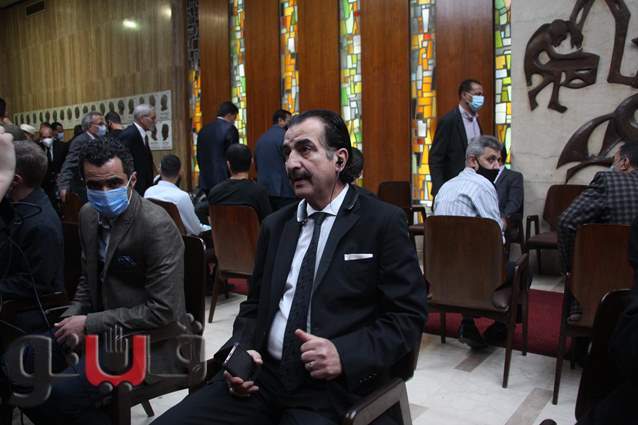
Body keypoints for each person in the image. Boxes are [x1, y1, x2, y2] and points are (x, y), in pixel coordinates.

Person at [154, 109, 427, 425]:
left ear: (339, 160)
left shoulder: (381, 222)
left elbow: (407, 317)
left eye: (305, 149)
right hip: (263, 379)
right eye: (287, 153)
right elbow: (254, 306)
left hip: (331, 390)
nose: (291, 163)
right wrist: (242, 353)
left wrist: (344, 353)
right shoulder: (276, 225)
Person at [24, 139, 191, 425]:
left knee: (57, 396)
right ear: (84, 185)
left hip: (150, 342)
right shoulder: (89, 215)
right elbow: (88, 280)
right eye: (95, 185)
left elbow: (163, 310)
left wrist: (90, 323)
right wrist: (71, 319)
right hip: (104, 331)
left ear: (132, 180)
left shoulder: (155, 226)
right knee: (19, 364)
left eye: (113, 183)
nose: (104, 192)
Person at [434, 135, 504, 349]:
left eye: (499, 160)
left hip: (438, 274)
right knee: (522, 268)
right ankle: (501, 327)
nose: (497, 166)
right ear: (473, 161)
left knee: (468, 253)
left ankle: (468, 324)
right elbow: (496, 236)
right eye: (491, 160)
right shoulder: (483, 185)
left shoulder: (445, 186)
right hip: (475, 278)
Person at [558, 142, 638, 321]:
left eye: (614, 160)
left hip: (603, 282)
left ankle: (578, 323)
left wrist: (571, 267)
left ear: (624, 163)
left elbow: (566, 222)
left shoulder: (609, 181)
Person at [0, 140, 64, 333]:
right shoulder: (17, 205)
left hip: (28, 312)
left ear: (15, 180)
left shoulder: (40, 225)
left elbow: (36, 284)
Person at [429, 79, 484, 197]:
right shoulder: (449, 120)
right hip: (452, 187)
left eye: (482, 95)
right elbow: (436, 158)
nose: (481, 98)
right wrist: (440, 190)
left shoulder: (476, 121)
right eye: (477, 94)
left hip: (473, 186)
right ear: (464, 95)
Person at [145, 154, 210, 236]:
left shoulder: (148, 192)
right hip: (178, 241)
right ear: (180, 172)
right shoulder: (182, 197)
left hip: (153, 239)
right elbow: (195, 230)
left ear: (159, 170)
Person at [208, 144, 272, 221]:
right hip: (251, 229)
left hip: (222, 229)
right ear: (251, 162)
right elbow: (267, 221)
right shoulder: (259, 192)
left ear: (228, 164)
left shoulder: (215, 192)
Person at [57, 111, 106, 203]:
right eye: (100, 124)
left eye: (104, 124)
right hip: (84, 188)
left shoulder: (101, 139)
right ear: (89, 125)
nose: (104, 126)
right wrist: (63, 186)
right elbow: (70, 164)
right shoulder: (80, 141)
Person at [255, 109, 294, 209]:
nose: (291, 124)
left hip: (263, 189)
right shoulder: (286, 137)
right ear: (280, 120)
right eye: (289, 121)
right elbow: (292, 162)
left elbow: (256, 164)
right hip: (284, 190)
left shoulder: (261, 138)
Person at [196, 101, 239, 193]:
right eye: (234, 118)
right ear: (229, 115)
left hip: (205, 181)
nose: (234, 121)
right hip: (224, 180)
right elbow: (234, 156)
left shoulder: (204, 130)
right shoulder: (230, 129)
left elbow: (199, 156)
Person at [117, 104, 157, 195]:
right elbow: (123, 162)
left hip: (144, 186)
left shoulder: (141, 134)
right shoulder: (129, 135)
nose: (155, 121)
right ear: (142, 119)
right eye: (153, 118)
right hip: (135, 188)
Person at [494, 144, 524, 246]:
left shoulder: (514, 177)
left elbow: (514, 203)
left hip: (502, 218)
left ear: (499, 157)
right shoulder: (482, 175)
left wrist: (503, 217)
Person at [38, 122, 68, 208]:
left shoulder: (62, 146)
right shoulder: (36, 147)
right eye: (44, 137)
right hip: (43, 183)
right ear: (40, 138)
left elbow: (66, 163)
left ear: (53, 136)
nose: (47, 139)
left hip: (58, 181)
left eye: (49, 137)